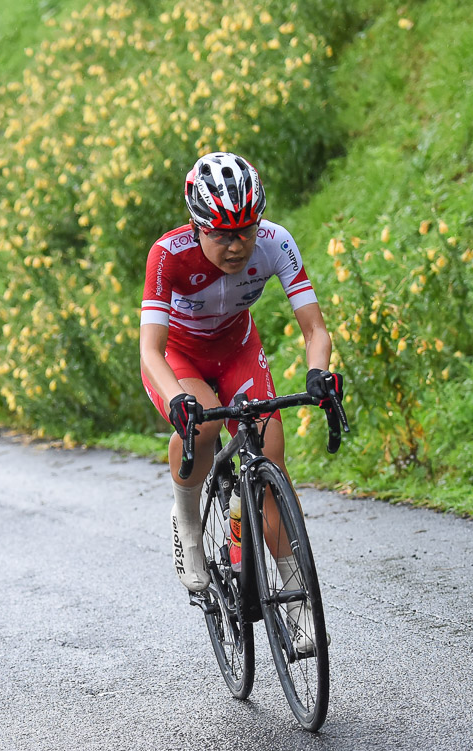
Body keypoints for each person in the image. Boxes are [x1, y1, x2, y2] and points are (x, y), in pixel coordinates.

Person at [138, 152, 343, 646]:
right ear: (198, 227)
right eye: (222, 235)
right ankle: (187, 521)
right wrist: (176, 400)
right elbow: (150, 349)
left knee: (271, 459)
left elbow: (315, 328)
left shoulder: (276, 242)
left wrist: (319, 373)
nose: (236, 245)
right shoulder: (168, 254)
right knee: (203, 424)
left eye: (244, 232)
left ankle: (296, 602)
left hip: (237, 351)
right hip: (181, 358)